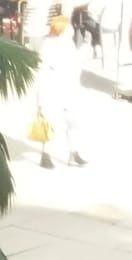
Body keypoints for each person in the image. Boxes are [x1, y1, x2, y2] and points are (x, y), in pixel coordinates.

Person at [35, 15, 87, 168]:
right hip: (52, 90)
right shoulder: (48, 46)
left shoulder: (68, 44)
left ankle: (74, 152)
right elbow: (41, 72)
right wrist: (40, 99)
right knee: (50, 123)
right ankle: (45, 155)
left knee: (73, 122)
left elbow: (76, 64)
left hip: (69, 89)